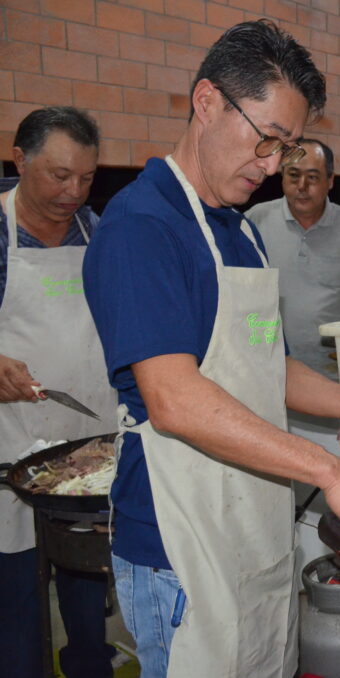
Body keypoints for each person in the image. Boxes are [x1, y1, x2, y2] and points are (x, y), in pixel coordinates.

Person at [82, 21, 340, 678]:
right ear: (207, 102)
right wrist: (330, 471)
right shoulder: (142, 226)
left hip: (254, 524)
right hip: (179, 541)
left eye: (285, 148)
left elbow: (266, 365)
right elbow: (172, 398)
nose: (270, 166)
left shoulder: (240, 232)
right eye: (264, 140)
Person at [0, 107, 119, 678]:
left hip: (87, 453)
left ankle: (90, 662)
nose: (74, 191)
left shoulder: (98, 233)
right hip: (12, 452)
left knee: (85, 579)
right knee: (18, 595)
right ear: (19, 159)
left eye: (87, 177)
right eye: (59, 175)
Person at [245, 137, 340, 375]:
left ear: (330, 181)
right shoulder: (257, 219)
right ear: (282, 176)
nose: (302, 186)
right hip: (270, 364)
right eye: (293, 175)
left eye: (313, 177)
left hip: (332, 365)